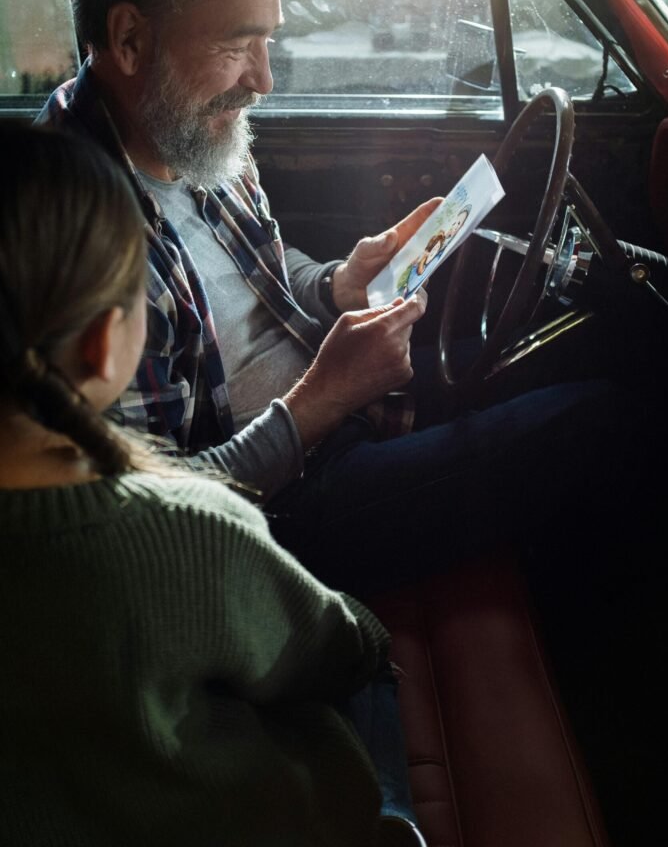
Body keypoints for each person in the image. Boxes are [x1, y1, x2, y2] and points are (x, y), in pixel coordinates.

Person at [38, 0, 657, 597]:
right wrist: (323, 400)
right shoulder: (71, 230)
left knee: (589, 341)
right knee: (602, 419)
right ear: (129, 39)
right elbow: (150, 517)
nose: (264, 80)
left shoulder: (186, 128)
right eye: (235, 46)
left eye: (269, 42)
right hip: (276, 509)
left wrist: (337, 284)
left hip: (340, 401)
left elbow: (264, 277)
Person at [0, 123, 425, 847]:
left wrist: (328, 285)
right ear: (107, 342)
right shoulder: (183, 530)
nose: (259, 75)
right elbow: (336, 648)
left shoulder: (205, 144)